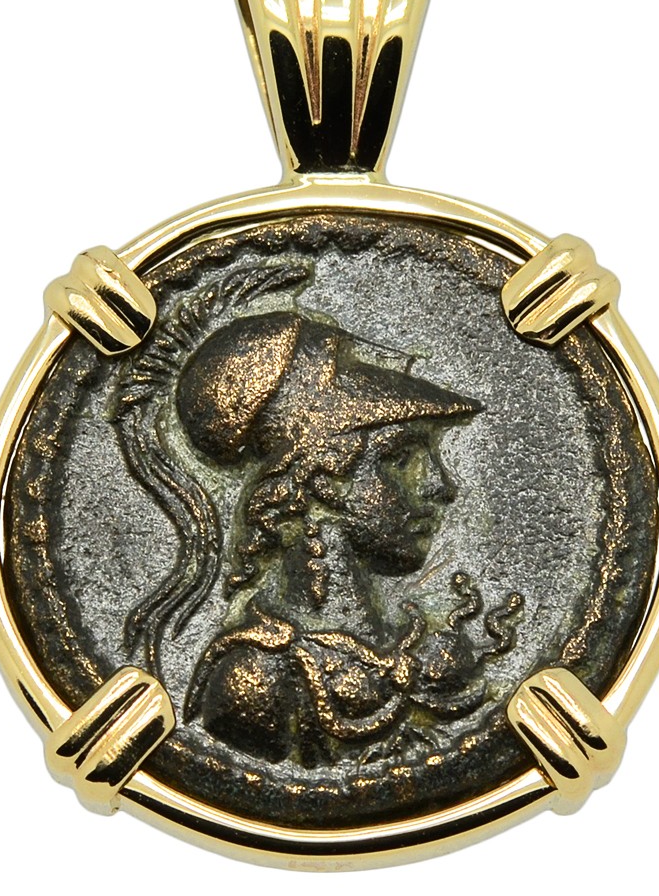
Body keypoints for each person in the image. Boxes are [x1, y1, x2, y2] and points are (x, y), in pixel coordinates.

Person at [173, 310, 490, 765]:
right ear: (324, 479)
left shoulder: (419, 646)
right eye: (401, 459)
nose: (441, 486)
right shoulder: (259, 680)